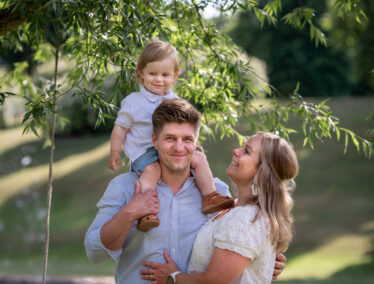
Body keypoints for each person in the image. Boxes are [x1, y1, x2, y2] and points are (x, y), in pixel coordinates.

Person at [85, 99, 286, 283]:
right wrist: (129, 213)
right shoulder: (125, 187)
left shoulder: (217, 193)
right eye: (170, 138)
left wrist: (263, 259)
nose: (179, 147)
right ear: (154, 141)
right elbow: (95, 253)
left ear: (196, 143)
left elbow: (237, 242)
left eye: (187, 139)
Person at [107, 39, 233, 231]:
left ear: (174, 76)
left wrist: (193, 144)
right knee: (152, 171)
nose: (159, 79)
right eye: (153, 74)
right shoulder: (133, 102)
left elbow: (190, 124)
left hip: (171, 147)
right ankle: (146, 211)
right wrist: (115, 151)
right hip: (144, 152)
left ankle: (210, 196)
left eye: (165, 74)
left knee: (199, 158)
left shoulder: (174, 100)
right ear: (141, 73)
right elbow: (120, 128)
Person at [140, 131, 298, 284]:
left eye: (246, 151)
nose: (236, 151)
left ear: (261, 173)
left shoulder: (246, 217)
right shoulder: (233, 207)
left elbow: (216, 281)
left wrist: (173, 277)